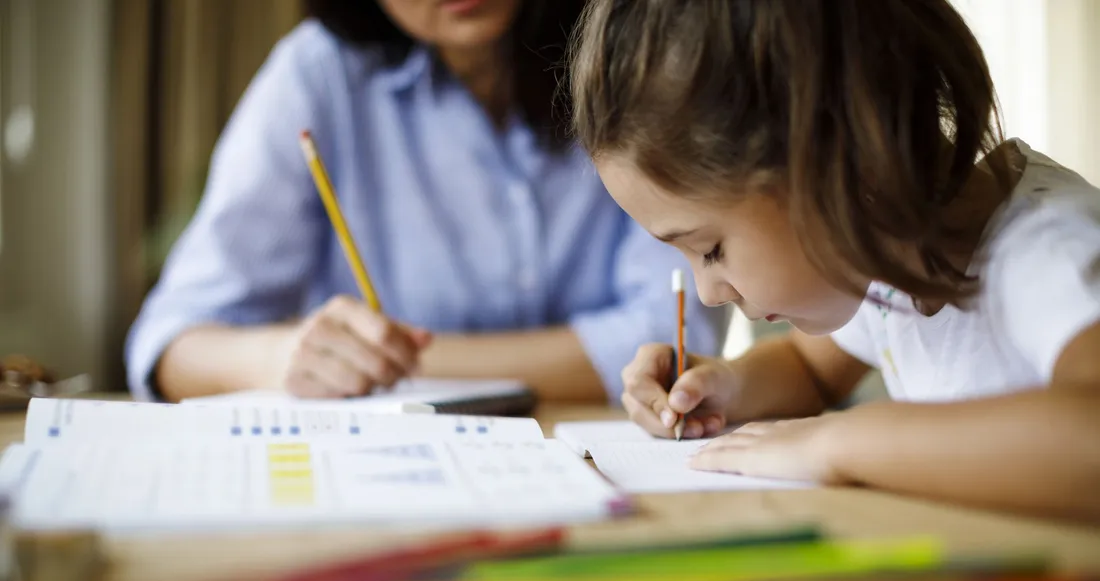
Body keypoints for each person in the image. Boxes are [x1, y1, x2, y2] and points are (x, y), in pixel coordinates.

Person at [571, 0, 1100, 521]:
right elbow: (808, 370)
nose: (710, 293)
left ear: (837, 159)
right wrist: (723, 387)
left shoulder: (1049, 250)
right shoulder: (884, 257)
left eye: (711, 249)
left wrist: (844, 442)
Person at [125, 0, 724, 403]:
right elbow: (170, 344)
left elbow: (673, 335)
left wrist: (396, 368)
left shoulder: (638, 55)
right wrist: (287, 356)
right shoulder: (316, 76)